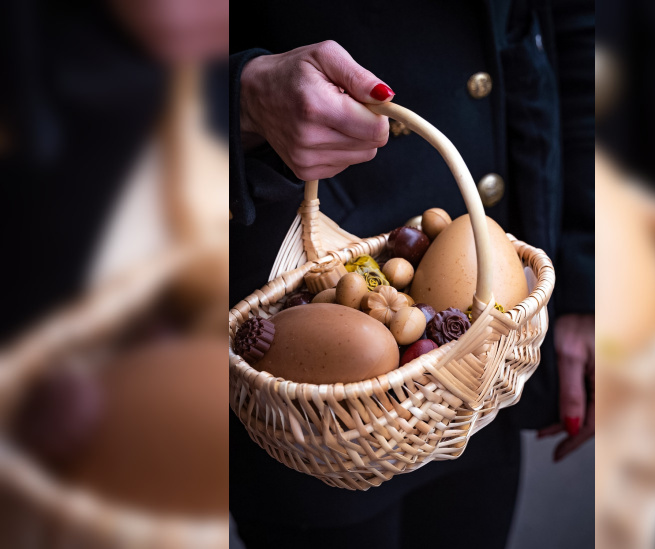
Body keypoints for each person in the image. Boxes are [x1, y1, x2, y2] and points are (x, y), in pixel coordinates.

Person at [229, 2, 594, 547]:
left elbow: (577, 32)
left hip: (478, 367)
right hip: (311, 388)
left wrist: (589, 280)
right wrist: (240, 93)